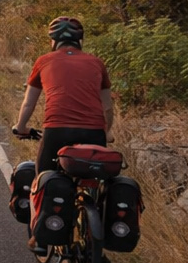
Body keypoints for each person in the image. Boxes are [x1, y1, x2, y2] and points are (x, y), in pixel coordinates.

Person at [13, 16, 113, 173]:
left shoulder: (43, 61)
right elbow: (107, 107)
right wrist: (107, 132)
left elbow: (28, 103)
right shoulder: (96, 63)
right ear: (80, 40)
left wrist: (20, 127)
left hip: (57, 130)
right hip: (94, 133)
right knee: (95, 178)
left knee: (43, 179)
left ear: (53, 41)